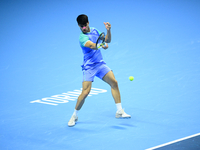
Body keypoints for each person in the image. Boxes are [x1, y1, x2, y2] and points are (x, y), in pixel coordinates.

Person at [68, 14, 131, 127]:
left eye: (84, 25)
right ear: (79, 26)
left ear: (88, 23)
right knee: (85, 92)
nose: (83, 28)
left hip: (100, 64)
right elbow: (92, 46)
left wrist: (108, 30)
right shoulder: (82, 38)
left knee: (114, 83)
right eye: (80, 26)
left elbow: (108, 40)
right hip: (89, 67)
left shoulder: (95, 30)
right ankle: (74, 116)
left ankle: (119, 111)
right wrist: (102, 45)